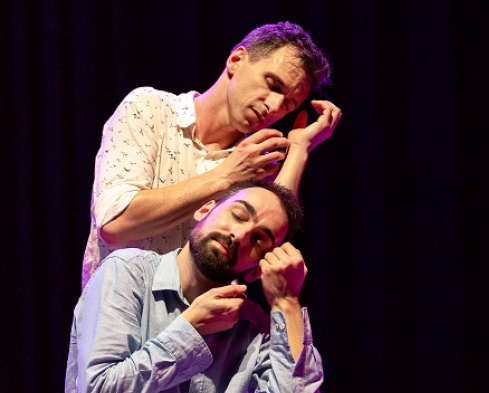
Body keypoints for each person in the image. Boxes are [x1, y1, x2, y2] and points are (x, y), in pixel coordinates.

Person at [53, 180, 323, 393]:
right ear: (205, 210)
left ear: (259, 268)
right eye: (239, 215)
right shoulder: (127, 273)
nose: (239, 235)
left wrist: (286, 304)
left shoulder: (252, 326)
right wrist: (189, 330)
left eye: (259, 240)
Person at [82, 21, 342, 287]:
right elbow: (115, 224)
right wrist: (226, 176)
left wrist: (300, 148)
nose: (274, 107)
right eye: (273, 85)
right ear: (237, 59)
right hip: (117, 315)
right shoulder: (150, 108)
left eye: (288, 104)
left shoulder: (256, 165)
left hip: (197, 323)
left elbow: (260, 257)